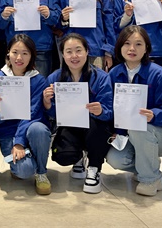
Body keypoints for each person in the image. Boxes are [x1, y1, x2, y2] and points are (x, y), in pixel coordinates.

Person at [105, 26, 162, 196]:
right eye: (127, 43)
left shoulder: (159, 74)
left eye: (138, 44)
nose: (132, 48)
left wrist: (154, 115)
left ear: (146, 48)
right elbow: (112, 109)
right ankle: (149, 166)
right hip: (130, 134)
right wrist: (116, 132)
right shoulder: (114, 74)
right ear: (119, 47)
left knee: (139, 128)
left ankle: (150, 179)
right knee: (116, 159)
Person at [46, 33, 113, 194]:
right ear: (63, 54)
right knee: (62, 156)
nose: (74, 56)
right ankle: (78, 158)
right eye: (69, 52)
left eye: (78, 50)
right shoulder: (55, 78)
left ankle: (94, 168)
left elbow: (110, 111)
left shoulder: (101, 77)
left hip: (94, 126)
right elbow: (55, 114)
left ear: (87, 51)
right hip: (70, 124)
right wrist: (47, 103)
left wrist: (101, 111)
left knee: (96, 126)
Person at [0, 34, 53, 195]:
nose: (19, 58)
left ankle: (41, 172)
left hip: (30, 128)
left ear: (32, 55)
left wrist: (19, 142)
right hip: (8, 132)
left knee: (39, 129)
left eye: (25, 53)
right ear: (8, 53)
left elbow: (32, 113)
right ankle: (28, 162)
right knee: (24, 171)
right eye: (15, 52)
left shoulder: (38, 80)